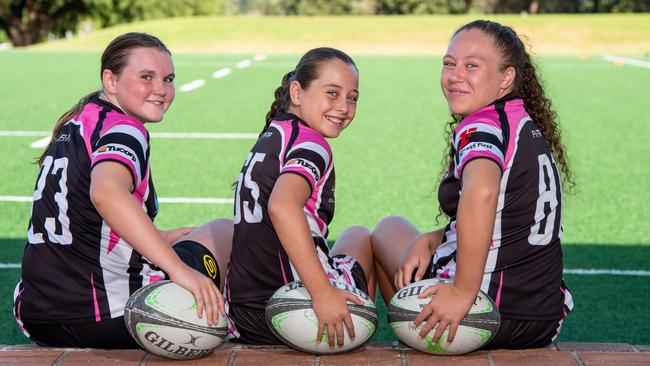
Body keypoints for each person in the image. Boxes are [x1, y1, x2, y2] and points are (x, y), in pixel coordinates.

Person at [12, 32, 232, 349]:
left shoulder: (78, 121)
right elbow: (106, 194)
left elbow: (85, 222)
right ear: (110, 81)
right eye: (146, 77)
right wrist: (178, 270)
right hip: (109, 317)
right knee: (225, 232)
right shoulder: (125, 128)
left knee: (186, 237)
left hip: (39, 317)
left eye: (168, 79)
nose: (161, 89)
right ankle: (236, 326)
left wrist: (163, 238)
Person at [371, 20, 574, 350]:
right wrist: (436, 237)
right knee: (405, 239)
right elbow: (510, 212)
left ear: (506, 77)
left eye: (472, 66)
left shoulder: (483, 126)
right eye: (449, 64)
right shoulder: (522, 119)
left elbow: (482, 193)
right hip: (542, 319)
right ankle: (426, 332)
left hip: (487, 314)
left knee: (382, 233)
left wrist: (462, 292)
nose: (455, 75)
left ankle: (424, 337)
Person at [225, 47, 376, 350]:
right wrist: (322, 293)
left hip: (244, 317)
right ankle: (355, 334)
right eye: (332, 93)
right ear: (297, 92)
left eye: (352, 97)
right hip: (296, 310)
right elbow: (282, 205)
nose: (344, 107)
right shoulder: (312, 144)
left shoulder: (273, 132)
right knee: (362, 237)